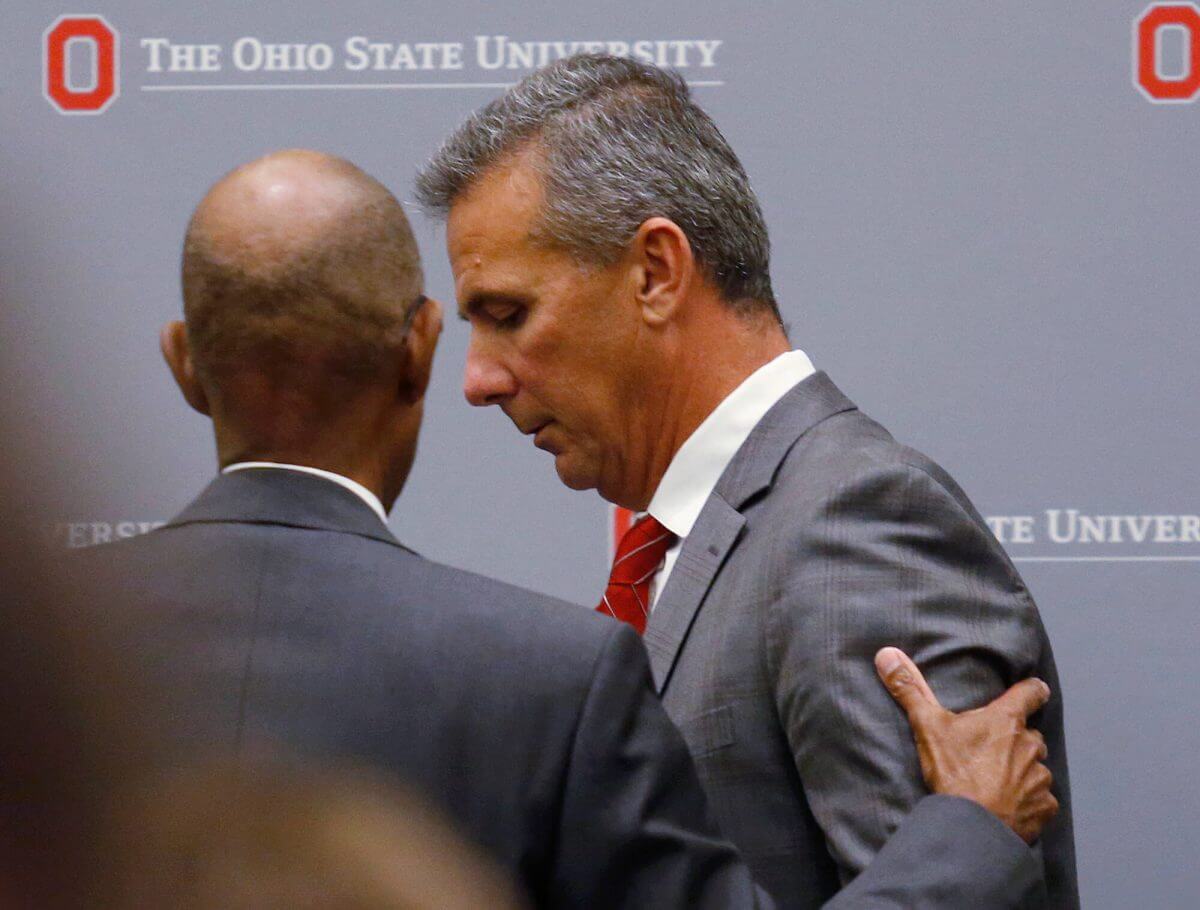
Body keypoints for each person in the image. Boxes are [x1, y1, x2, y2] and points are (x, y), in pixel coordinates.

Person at [84, 149, 1053, 909]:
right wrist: (969, 830)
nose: (481, 377)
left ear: (184, 363)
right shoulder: (544, 680)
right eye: (470, 325)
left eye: (508, 313)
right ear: (416, 348)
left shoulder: (39, 652)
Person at [416, 54, 1078, 908]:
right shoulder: (712, 543)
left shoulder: (858, 525)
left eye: (509, 315)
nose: (478, 379)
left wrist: (970, 835)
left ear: (655, 272)